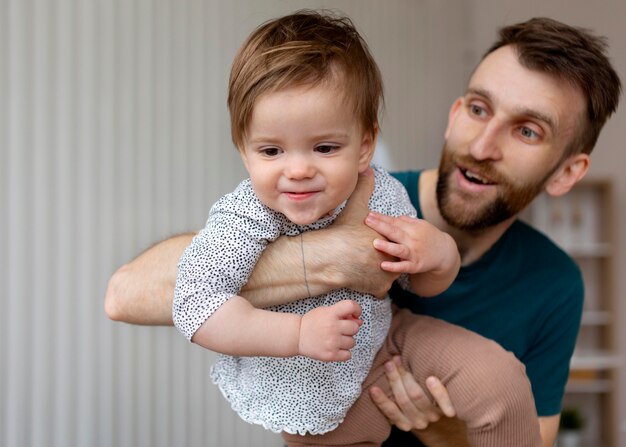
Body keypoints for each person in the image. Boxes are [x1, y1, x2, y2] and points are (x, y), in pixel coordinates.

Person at [104, 15, 622, 447]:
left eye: (527, 130)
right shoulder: (261, 212)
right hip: (318, 374)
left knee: (501, 378)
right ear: (456, 113)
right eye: (480, 109)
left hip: (387, 337)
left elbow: (534, 432)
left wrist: (438, 258)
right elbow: (133, 294)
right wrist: (329, 265)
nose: (484, 144)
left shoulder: (550, 281)